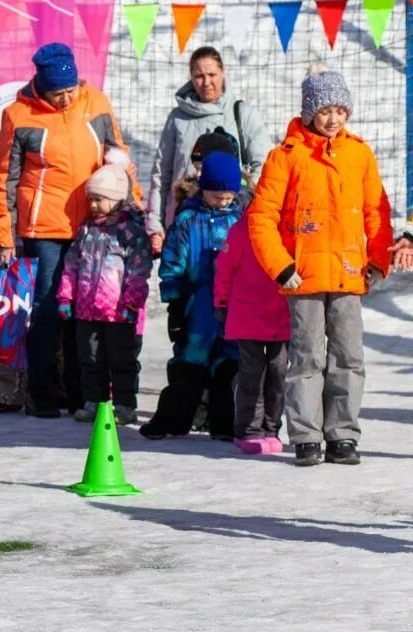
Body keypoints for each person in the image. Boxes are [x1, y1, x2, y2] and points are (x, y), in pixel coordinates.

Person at [247, 71, 394, 466]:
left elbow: (376, 211)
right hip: (304, 276)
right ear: (310, 111)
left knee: (348, 356)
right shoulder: (287, 157)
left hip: (349, 273)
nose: (333, 119)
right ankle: (307, 436)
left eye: (339, 110)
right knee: (307, 356)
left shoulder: (359, 154)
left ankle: (343, 435)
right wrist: (281, 266)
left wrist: (378, 259)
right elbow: (261, 216)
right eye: (325, 110)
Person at [0, 42, 137, 418]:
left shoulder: (96, 103)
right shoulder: (18, 115)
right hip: (44, 228)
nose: (67, 98)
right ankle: (42, 393)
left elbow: (118, 158)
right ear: (43, 85)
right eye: (59, 93)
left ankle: (80, 393)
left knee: (83, 314)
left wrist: (131, 207)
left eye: (71, 90)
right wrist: (3, 235)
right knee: (48, 310)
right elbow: (5, 179)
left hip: (93, 224)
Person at [140, 151, 242, 441]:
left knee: (229, 366)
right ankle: (172, 420)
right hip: (196, 306)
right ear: (204, 189)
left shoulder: (238, 220)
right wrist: (175, 300)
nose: (222, 202)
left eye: (228, 197)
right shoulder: (188, 219)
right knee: (189, 365)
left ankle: (224, 423)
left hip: (232, 307)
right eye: (216, 196)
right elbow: (172, 263)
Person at [147, 46, 274, 254]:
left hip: (232, 223)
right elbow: (161, 174)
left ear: (223, 72)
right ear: (191, 78)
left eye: (212, 74)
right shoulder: (178, 118)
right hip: (185, 226)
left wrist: (245, 202)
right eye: (199, 76)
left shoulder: (242, 114)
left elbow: (265, 166)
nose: (206, 82)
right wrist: (155, 225)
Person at [56, 162, 151, 426]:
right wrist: (66, 297)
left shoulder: (130, 232)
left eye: (100, 200)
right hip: (87, 309)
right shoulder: (86, 230)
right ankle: (94, 402)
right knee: (91, 358)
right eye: (92, 200)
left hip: (118, 311)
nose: (94, 205)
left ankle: (124, 404)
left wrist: (131, 302)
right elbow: (71, 265)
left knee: (122, 359)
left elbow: (138, 269)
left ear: (117, 199)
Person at [214, 214, 290, 455]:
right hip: (247, 312)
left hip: (282, 313)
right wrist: (222, 301)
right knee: (252, 373)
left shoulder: (290, 227)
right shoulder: (242, 230)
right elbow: (225, 268)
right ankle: (248, 429)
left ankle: (271, 427)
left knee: (278, 371)